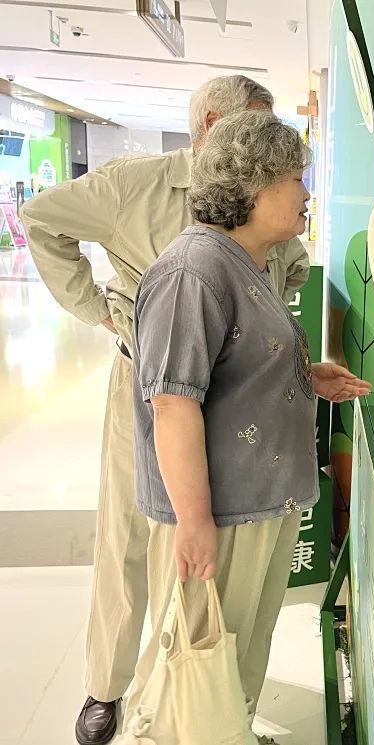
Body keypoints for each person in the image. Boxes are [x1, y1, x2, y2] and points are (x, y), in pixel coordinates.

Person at [19, 75, 311, 745]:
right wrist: (100, 310)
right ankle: (113, 685)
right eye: (254, 133)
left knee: (221, 606)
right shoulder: (140, 192)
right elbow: (43, 221)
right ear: (214, 127)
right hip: (154, 383)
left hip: (234, 398)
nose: (299, 188)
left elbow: (287, 271)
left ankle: (209, 706)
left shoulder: (259, 225)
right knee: (136, 538)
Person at [123, 110, 370, 743]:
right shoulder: (192, 272)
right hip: (222, 512)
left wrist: (304, 375)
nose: (306, 192)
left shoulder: (245, 262)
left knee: (239, 651)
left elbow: (231, 370)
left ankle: (230, 730)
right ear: (253, 185)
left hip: (259, 501)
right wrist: (195, 522)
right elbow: (172, 403)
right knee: (200, 660)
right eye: (296, 178)